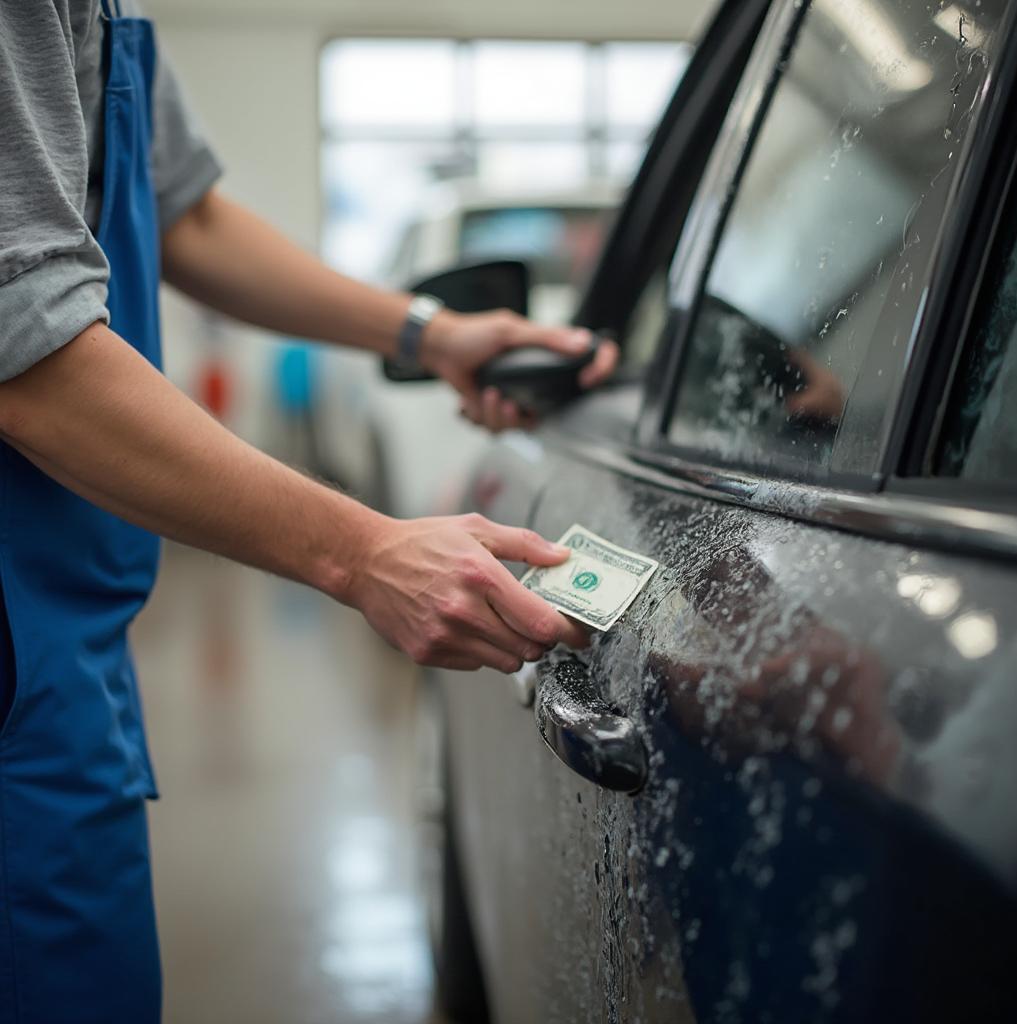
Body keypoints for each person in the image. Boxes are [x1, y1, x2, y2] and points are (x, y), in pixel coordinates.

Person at [0, 2, 617, 1021]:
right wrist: (362, 550)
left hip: (65, 654)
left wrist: (429, 331)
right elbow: (27, 351)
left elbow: (183, 212)